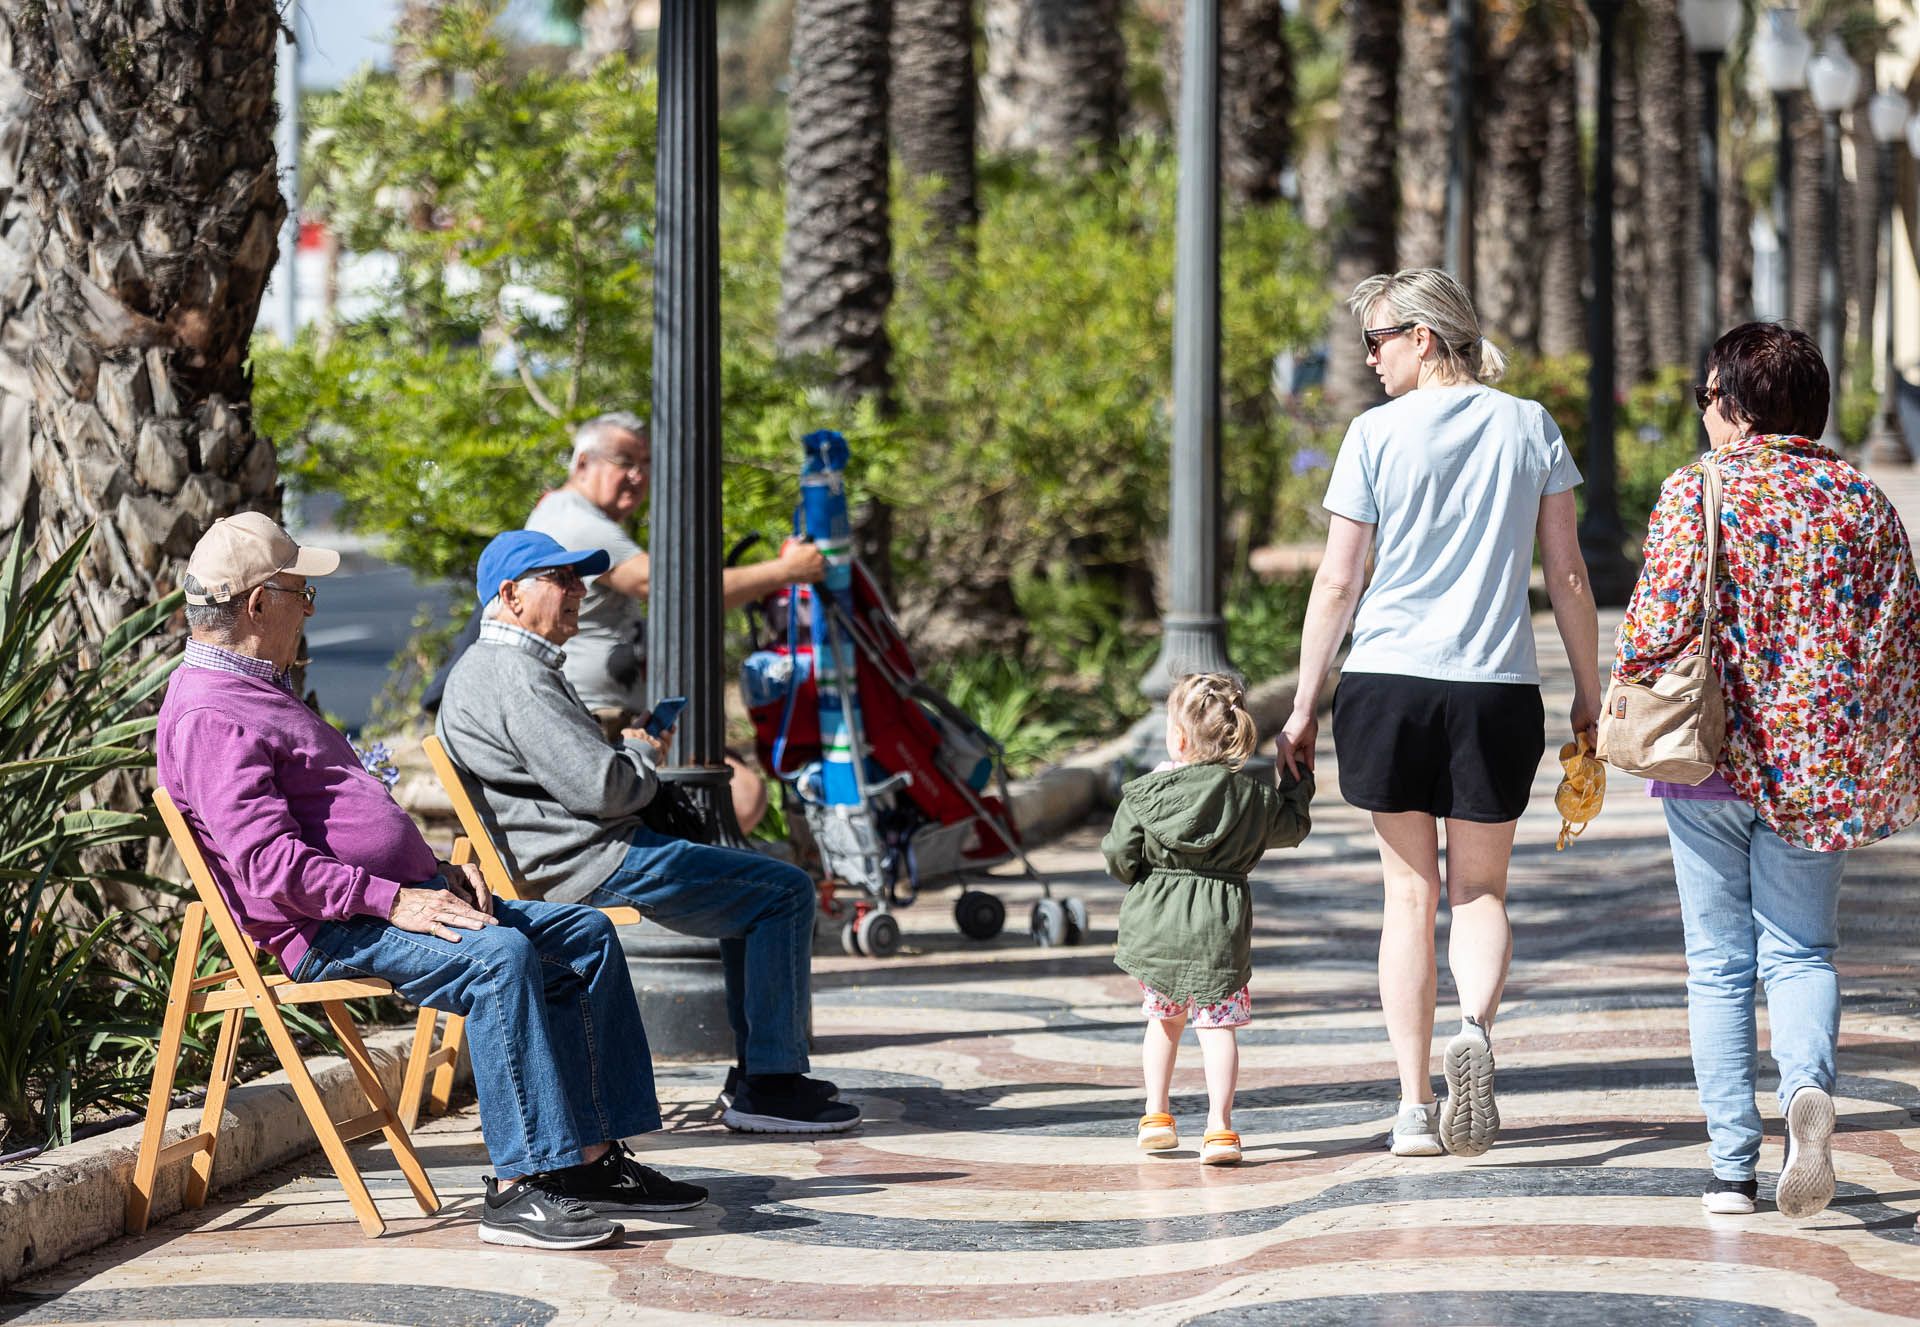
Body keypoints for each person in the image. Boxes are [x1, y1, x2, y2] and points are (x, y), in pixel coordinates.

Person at [156, 513, 707, 1253]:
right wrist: (398, 898)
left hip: (386, 904)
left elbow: (335, 821)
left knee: (587, 934)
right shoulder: (210, 713)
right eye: (302, 592)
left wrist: (434, 874)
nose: (311, 607)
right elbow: (269, 867)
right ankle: (521, 1187)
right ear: (257, 605)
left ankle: (589, 1161)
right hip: (332, 928)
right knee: (501, 959)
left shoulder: (257, 690)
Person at [1277, 268, 1600, 1159]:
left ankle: (1414, 1106)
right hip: (1495, 684)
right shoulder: (1530, 425)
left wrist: (1304, 704)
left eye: (1378, 340)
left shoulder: (1374, 435)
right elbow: (1568, 575)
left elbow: (1339, 579)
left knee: (1408, 897)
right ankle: (1476, 1031)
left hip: (1387, 682)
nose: (1370, 358)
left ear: (1424, 336)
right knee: (1482, 890)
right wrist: (1588, 689)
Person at [1615, 322, 1920, 1218]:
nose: (1704, 414)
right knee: (1801, 950)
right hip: (1817, 770)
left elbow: (1650, 632)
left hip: (1707, 763)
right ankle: (1805, 1095)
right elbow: (1900, 638)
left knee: (1717, 963)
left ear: (1741, 405)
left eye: (1709, 396)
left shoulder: (1697, 491)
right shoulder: (1863, 500)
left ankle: (1729, 1170)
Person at [434, 529, 861, 1135]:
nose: (580, 590)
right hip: (593, 859)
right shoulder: (513, 674)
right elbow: (604, 790)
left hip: (576, 852)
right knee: (785, 892)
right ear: (511, 594)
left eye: (580, 578)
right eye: (562, 580)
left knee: (759, 897)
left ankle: (763, 1077)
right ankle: (771, 1084)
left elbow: (582, 778)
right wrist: (640, 755)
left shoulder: (500, 669)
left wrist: (625, 754)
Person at [524, 411, 828, 832]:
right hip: (595, 723)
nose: (638, 475)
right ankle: (679, 889)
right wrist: (786, 572)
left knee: (738, 791)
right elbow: (672, 590)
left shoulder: (573, 516)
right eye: (624, 460)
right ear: (582, 464)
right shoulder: (577, 521)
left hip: (622, 718)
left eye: (645, 464)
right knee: (736, 794)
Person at [1104, 674, 1314, 1167]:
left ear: (1177, 739)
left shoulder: (1145, 795)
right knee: (1218, 1030)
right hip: (1220, 932)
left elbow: (1118, 856)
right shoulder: (1252, 799)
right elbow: (1293, 827)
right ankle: (1220, 1129)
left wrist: (1143, 875)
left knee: (1163, 1022)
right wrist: (1297, 780)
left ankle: (1156, 1115)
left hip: (1157, 928)